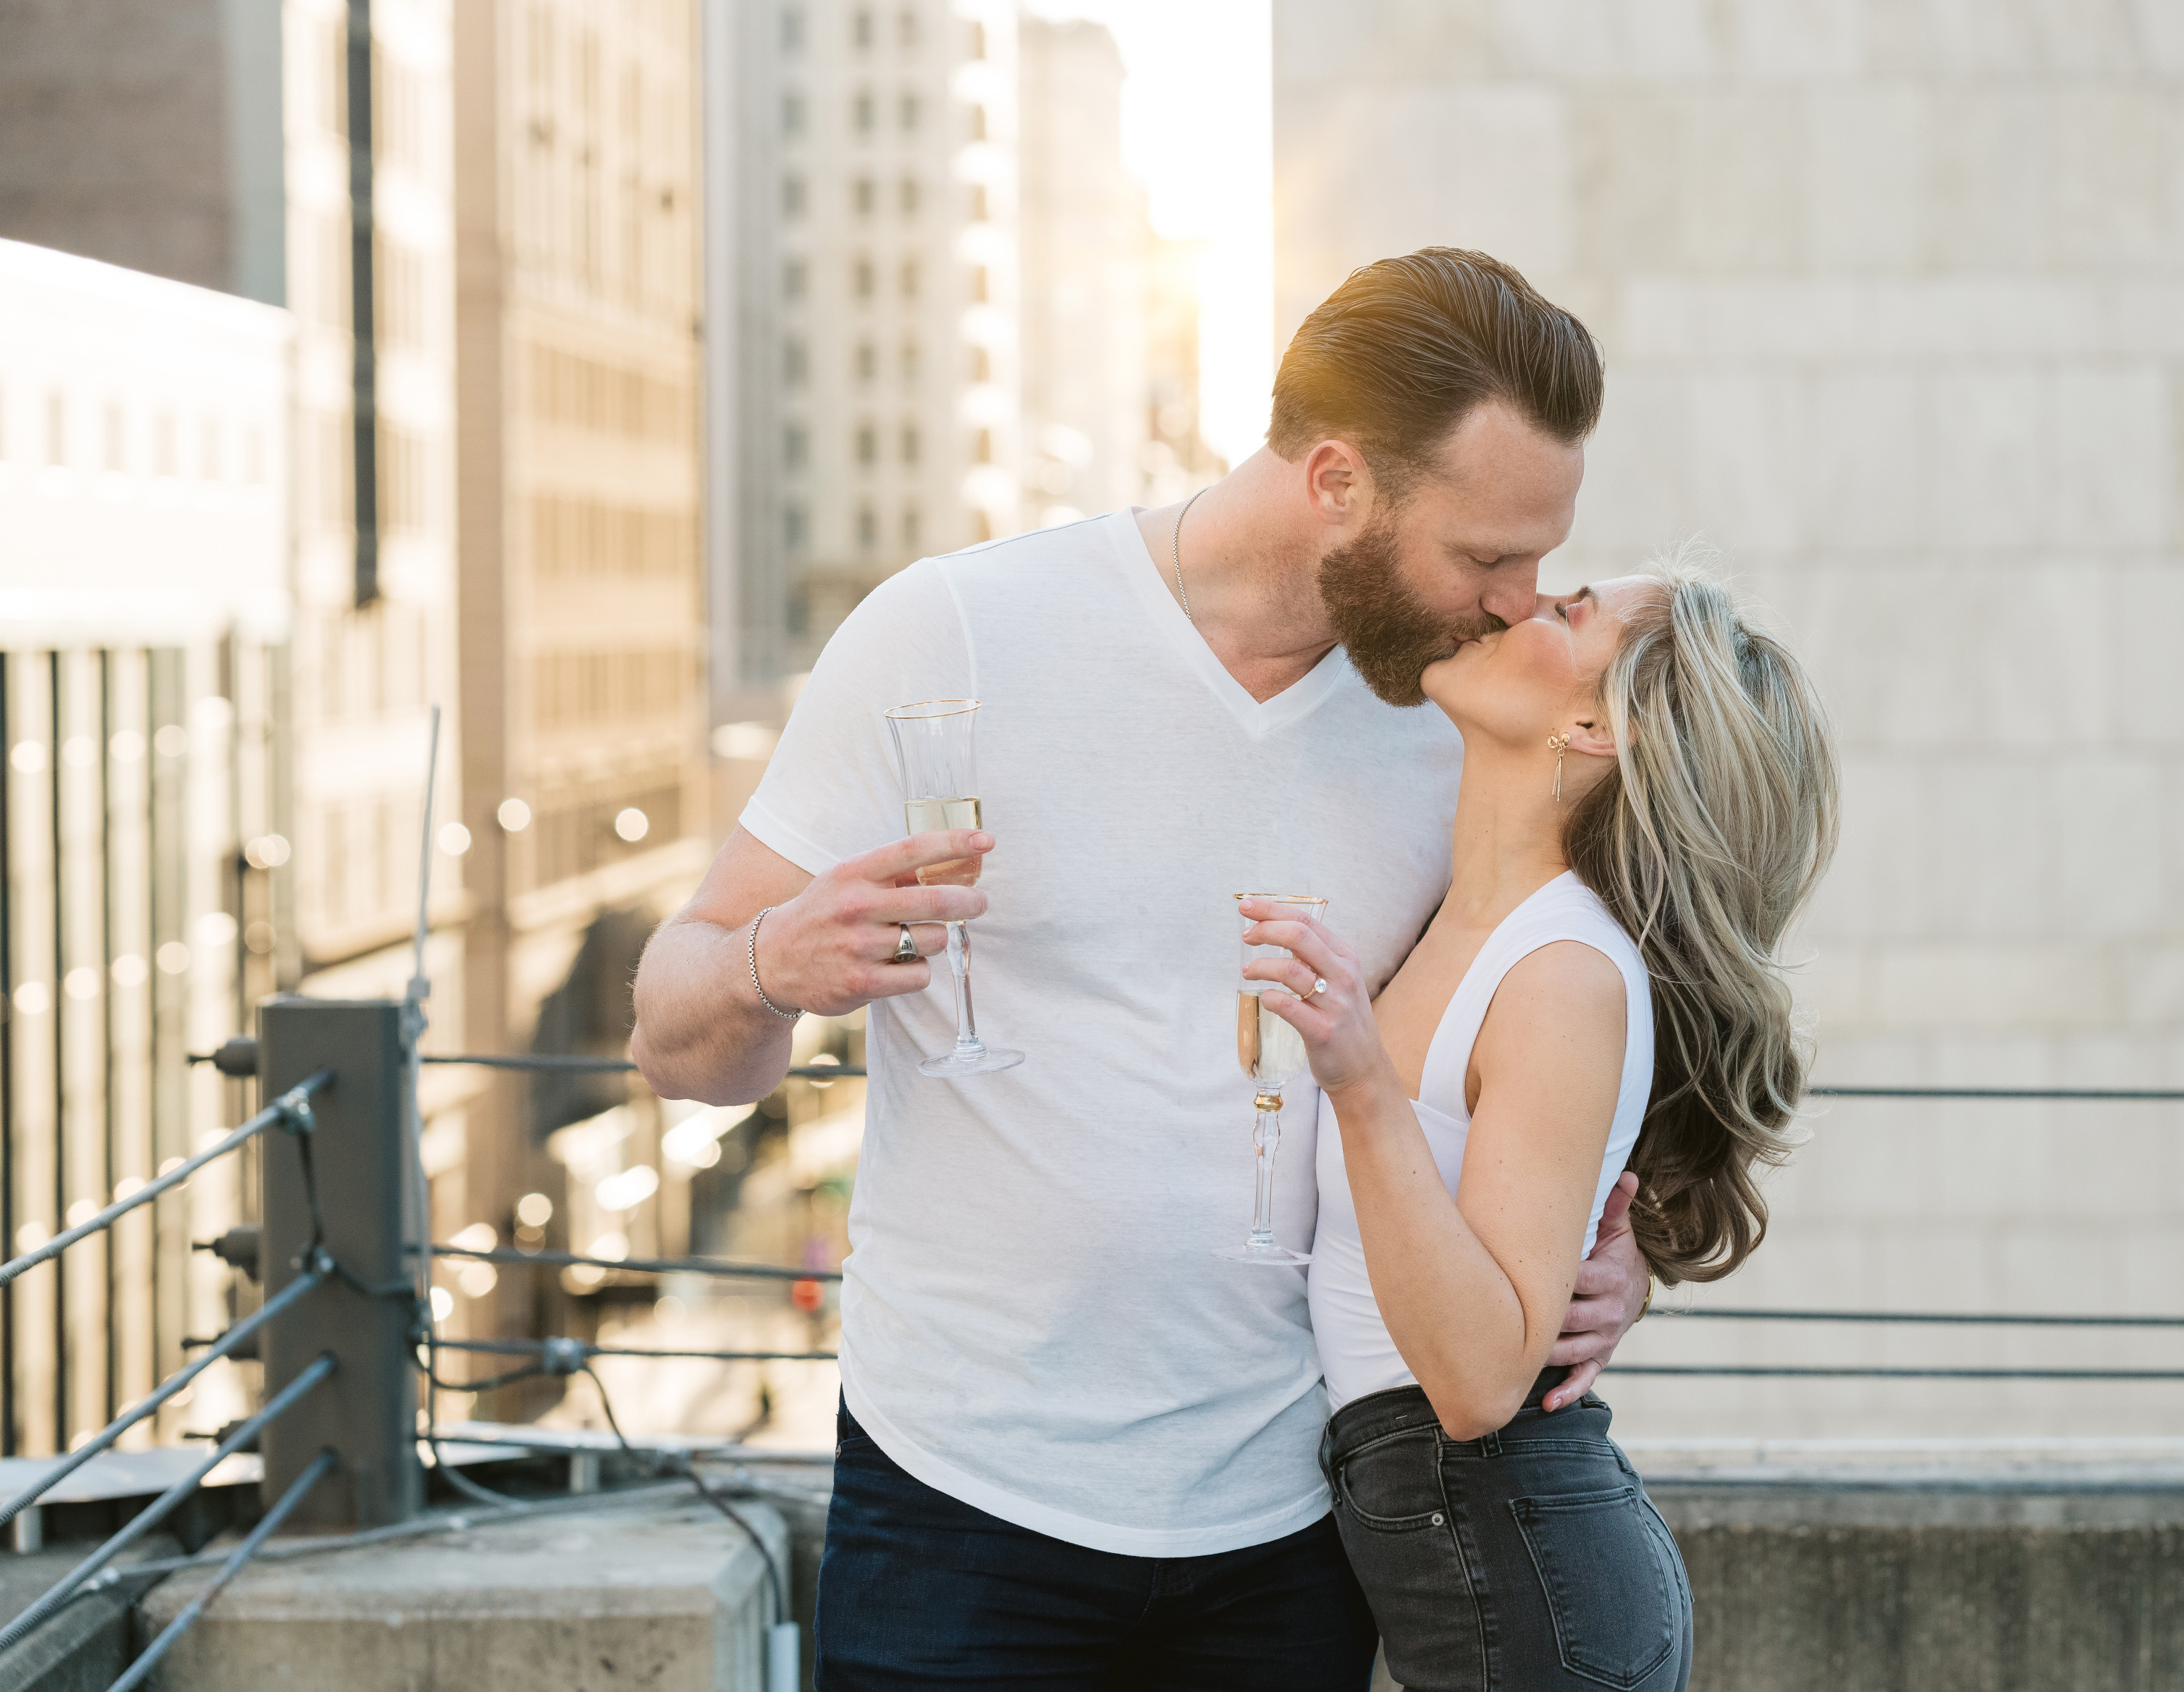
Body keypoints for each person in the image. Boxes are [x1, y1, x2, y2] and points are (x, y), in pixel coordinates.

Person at [629, 248, 1655, 1688]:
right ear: (1340, 482)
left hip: (1292, 1523)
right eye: (1487, 557)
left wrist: (1604, 1263)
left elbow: (1543, 1038)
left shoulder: (1463, 730)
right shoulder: (959, 629)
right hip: (956, 1505)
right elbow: (677, 1044)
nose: (1516, 605)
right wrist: (765, 964)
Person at [1243, 563, 1838, 1691]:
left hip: (1525, 1587)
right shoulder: (1465, 910)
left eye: (1568, 615)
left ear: (1595, 730)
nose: (1524, 602)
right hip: (1482, 1556)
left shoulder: (1562, 971)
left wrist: (1362, 1084)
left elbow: (1475, 1385)